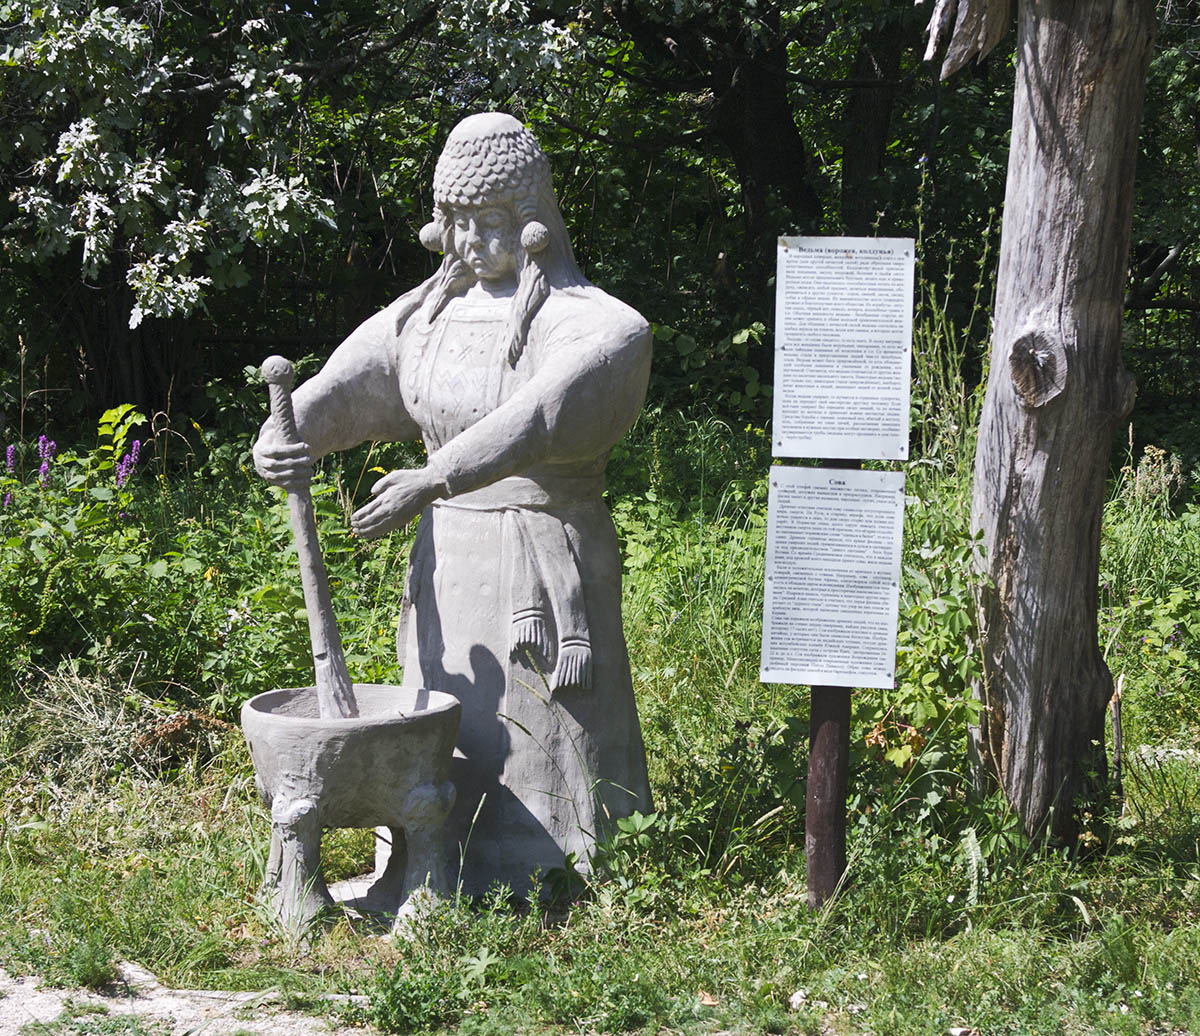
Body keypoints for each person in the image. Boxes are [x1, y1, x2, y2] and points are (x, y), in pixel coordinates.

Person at [253, 112, 653, 897]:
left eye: (490, 222)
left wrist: (433, 477)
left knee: (544, 724)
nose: (471, 242)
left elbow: (540, 412)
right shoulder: (426, 315)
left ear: (533, 217)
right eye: (457, 223)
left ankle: (553, 874)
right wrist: (286, 428)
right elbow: (351, 384)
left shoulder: (596, 323)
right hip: (445, 567)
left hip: (538, 558)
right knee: (443, 719)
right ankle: (431, 867)